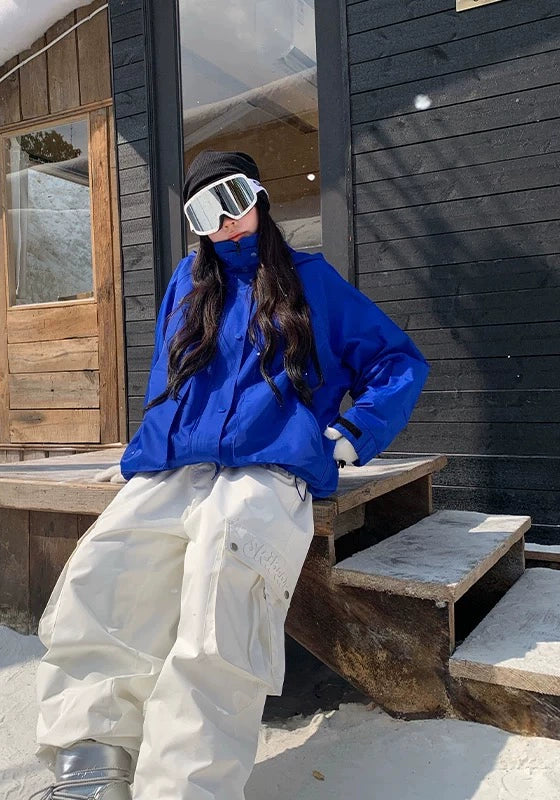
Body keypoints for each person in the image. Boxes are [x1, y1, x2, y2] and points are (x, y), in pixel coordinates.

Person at [31, 151, 429, 800]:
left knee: (223, 601)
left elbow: (398, 363)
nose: (227, 223)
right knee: (101, 575)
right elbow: (169, 376)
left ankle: (184, 790)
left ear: (261, 197)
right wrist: (144, 451)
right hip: (179, 465)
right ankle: (88, 771)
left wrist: (356, 435)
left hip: (269, 469)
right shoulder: (187, 285)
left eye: (234, 199)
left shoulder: (311, 281)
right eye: (205, 214)